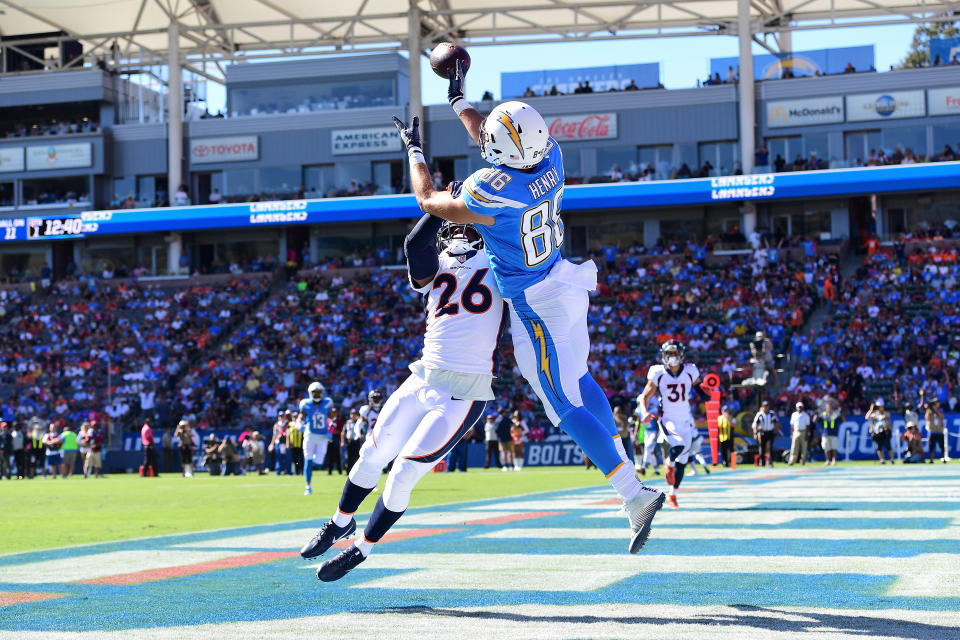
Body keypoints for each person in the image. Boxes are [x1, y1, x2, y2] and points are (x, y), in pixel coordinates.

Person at [391, 61, 663, 552]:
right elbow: (492, 140)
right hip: (565, 280)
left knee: (560, 404)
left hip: (535, 301)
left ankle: (631, 493)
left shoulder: (490, 190)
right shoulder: (552, 155)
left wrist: (413, 151)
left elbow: (428, 199)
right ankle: (624, 462)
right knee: (578, 379)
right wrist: (459, 101)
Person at [303, 217, 505, 582]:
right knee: (371, 454)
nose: (459, 233)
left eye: (467, 226)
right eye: (454, 227)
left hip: (462, 393)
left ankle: (361, 548)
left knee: (402, 473)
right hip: (422, 377)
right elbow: (414, 243)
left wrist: (477, 204)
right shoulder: (439, 265)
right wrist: (440, 208)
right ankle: (339, 523)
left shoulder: (500, 262)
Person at [638, 340, 705, 508]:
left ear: (681, 354)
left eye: (675, 353)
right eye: (669, 353)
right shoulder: (658, 372)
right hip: (668, 419)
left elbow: (701, 390)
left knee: (683, 461)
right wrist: (644, 411)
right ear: (664, 355)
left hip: (685, 420)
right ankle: (669, 463)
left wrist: (709, 394)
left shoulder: (690, 371)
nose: (672, 357)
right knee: (679, 446)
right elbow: (644, 396)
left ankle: (672, 494)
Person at [298, 381, 335, 495]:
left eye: (319, 392)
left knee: (319, 462)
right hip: (310, 435)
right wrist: (299, 424)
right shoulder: (306, 404)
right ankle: (308, 486)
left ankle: (308, 469)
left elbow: (332, 421)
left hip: (323, 436)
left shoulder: (328, 403)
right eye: (315, 393)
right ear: (310, 393)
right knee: (308, 460)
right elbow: (300, 418)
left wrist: (331, 431)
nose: (317, 395)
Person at [866, 399, 894, 464]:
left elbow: (888, 416)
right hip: (877, 432)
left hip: (885, 431)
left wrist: (882, 410)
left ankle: (892, 459)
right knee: (879, 447)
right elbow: (867, 417)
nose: (879, 408)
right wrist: (871, 409)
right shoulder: (874, 414)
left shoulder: (885, 413)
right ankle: (882, 459)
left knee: (888, 446)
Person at [752, 401, 779, 467]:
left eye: (767, 406)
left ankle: (770, 462)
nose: (766, 408)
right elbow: (756, 424)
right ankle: (762, 462)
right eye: (765, 406)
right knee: (762, 447)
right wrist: (755, 433)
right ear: (763, 407)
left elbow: (776, 423)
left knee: (770, 447)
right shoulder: (760, 414)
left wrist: (777, 432)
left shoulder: (772, 414)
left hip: (770, 432)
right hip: (762, 432)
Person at [923, 392, 947, 463]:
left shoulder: (940, 410)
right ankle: (931, 459)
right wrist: (928, 409)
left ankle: (943, 458)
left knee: (942, 445)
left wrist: (936, 410)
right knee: (931, 446)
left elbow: (942, 416)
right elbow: (927, 418)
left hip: (939, 430)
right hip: (932, 431)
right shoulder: (929, 411)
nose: (937, 404)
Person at [820, 397, 841, 466]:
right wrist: (816, 412)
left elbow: (843, 419)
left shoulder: (835, 414)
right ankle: (827, 460)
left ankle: (834, 460)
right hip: (825, 433)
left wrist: (840, 412)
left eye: (830, 407)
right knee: (826, 448)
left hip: (833, 433)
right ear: (825, 408)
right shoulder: (823, 414)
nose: (829, 409)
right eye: (827, 407)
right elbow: (815, 420)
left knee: (834, 448)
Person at [288, 410, 305, 476]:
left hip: (300, 443)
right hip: (293, 444)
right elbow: (288, 434)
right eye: (293, 417)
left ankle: (302, 471)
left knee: (301, 458)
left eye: (296, 416)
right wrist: (288, 442)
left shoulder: (302, 423)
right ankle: (297, 471)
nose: (294, 418)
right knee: (295, 459)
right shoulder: (290, 424)